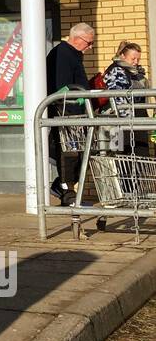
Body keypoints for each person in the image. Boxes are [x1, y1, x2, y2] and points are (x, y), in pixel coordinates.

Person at [45, 22, 95, 205]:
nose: (90, 47)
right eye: (88, 43)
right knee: (70, 154)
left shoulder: (74, 54)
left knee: (80, 153)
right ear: (76, 38)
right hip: (67, 114)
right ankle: (66, 191)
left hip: (76, 113)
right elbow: (61, 87)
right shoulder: (63, 54)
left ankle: (66, 189)